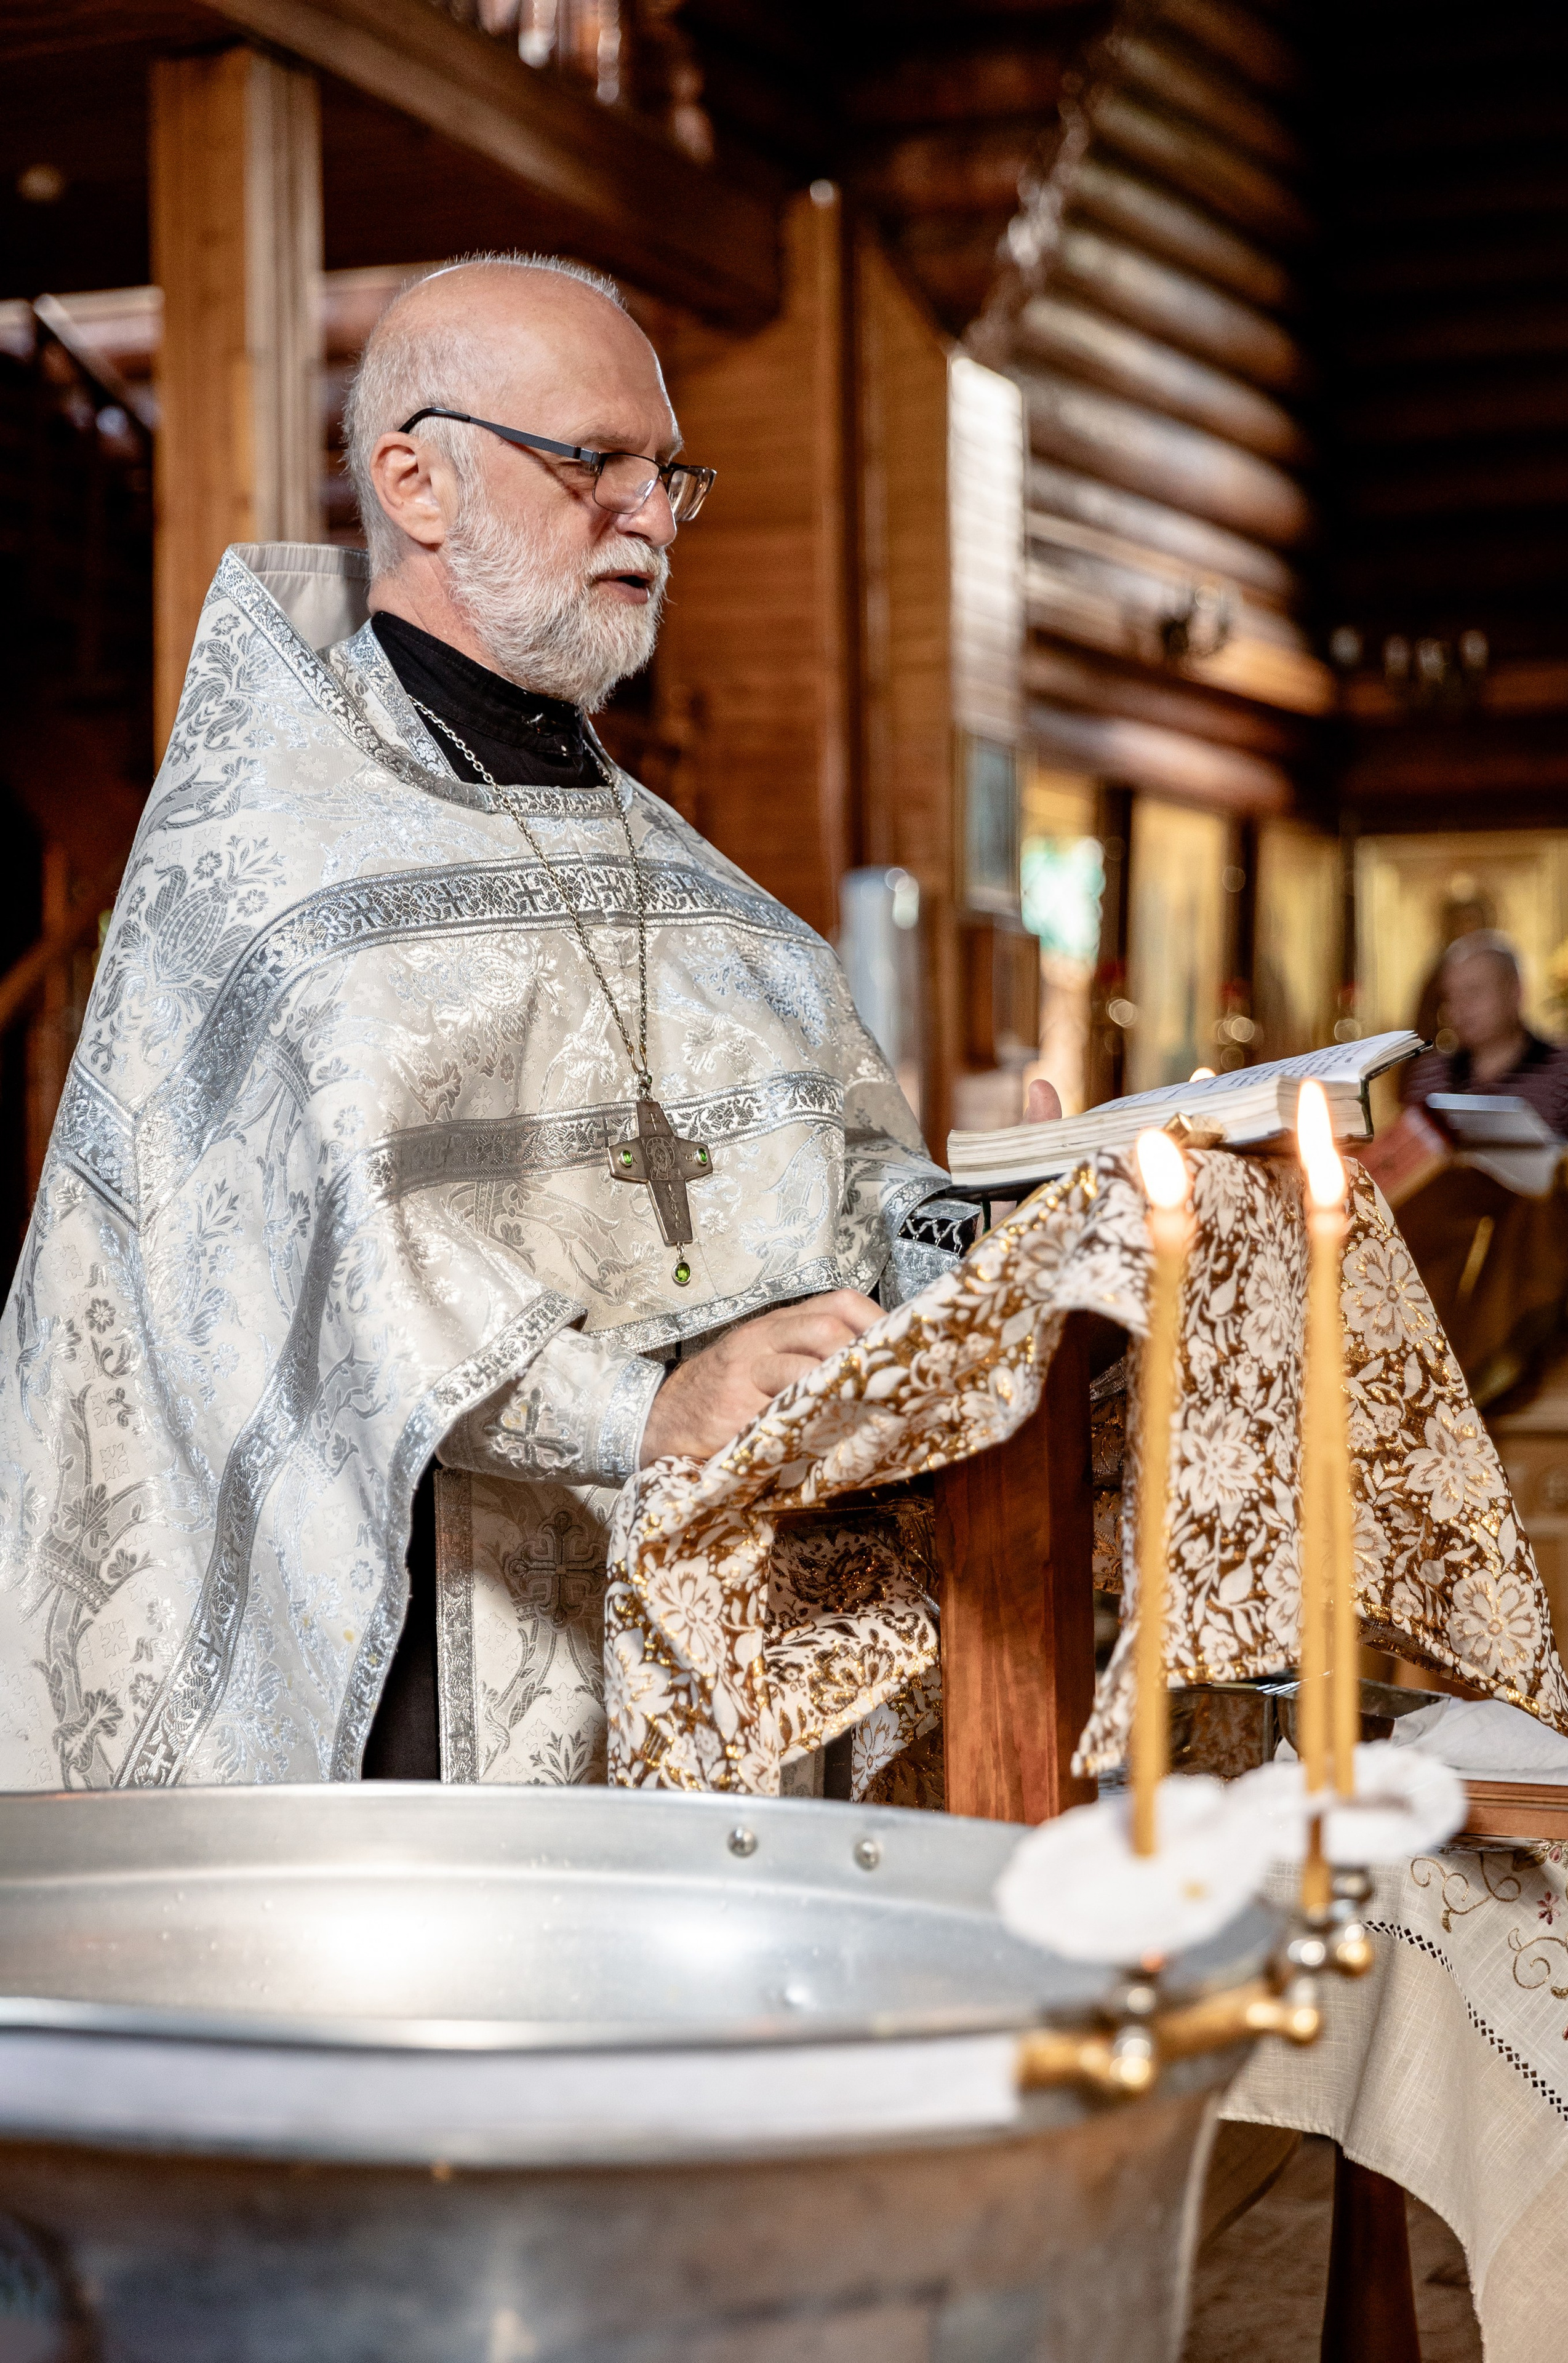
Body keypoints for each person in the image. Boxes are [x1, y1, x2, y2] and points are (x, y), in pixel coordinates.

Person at [0, 254, 1002, 1790]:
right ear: (416, 478)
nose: (651, 515)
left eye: (668, 474)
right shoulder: (271, 867)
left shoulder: (716, 904)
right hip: (422, 1673)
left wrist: (996, 1211)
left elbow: (848, 1170)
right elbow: (337, 1249)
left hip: (713, 1658)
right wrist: (648, 1403)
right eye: (590, 461)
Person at [1404, 930, 1568, 1140]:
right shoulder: (1430, 1076)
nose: (1460, 1008)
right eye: (1450, 997)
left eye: (1473, 992)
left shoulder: (1567, 1073)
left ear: (1515, 992)